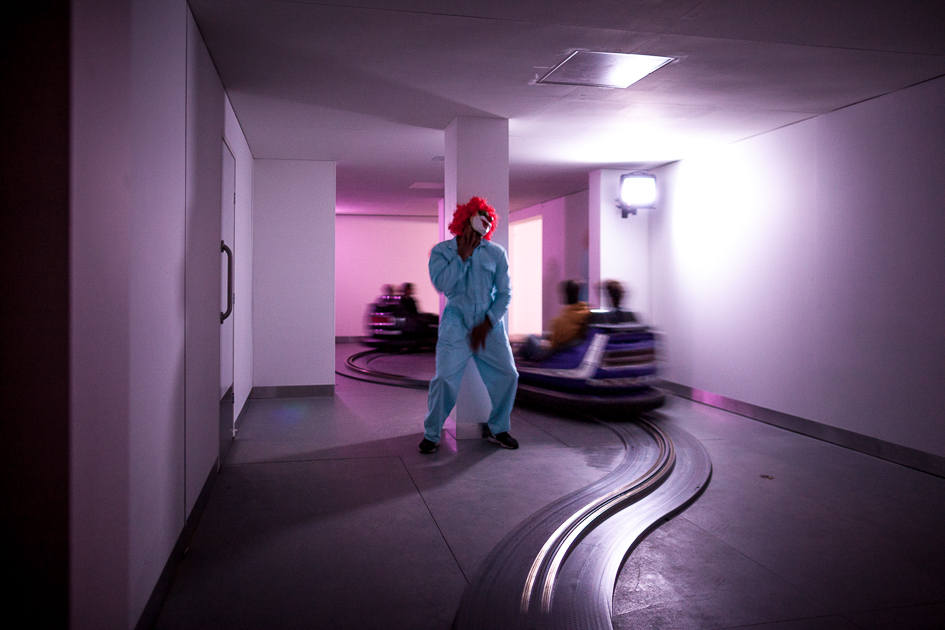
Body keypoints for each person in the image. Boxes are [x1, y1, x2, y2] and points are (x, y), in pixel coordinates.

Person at [419, 197, 519, 454]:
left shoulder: (496, 253)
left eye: (484, 224)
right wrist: (461, 257)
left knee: (509, 375)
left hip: (489, 325)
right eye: (475, 222)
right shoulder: (442, 252)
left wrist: (487, 323)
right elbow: (442, 285)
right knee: (444, 380)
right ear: (462, 222)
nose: (479, 230)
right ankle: (432, 434)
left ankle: (499, 428)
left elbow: (505, 293)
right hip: (455, 324)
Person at [517, 279, 589, 361]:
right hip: (565, 346)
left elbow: (555, 344)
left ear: (566, 295)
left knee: (529, 339)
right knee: (534, 337)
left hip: (554, 354)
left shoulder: (562, 320)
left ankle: (516, 364)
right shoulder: (583, 312)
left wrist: (545, 343)